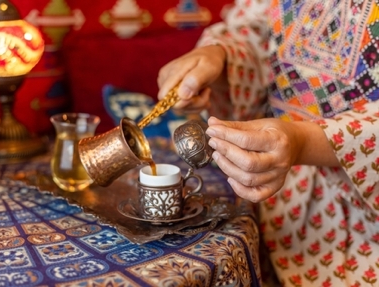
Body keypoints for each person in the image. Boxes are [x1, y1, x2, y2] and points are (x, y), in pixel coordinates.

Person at [157, 0, 379, 286]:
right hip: (270, 203)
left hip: (365, 219)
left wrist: (302, 141)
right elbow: (264, 28)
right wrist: (220, 56)